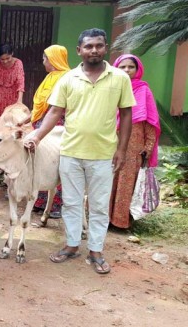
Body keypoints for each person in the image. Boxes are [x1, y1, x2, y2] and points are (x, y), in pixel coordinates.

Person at [23, 28, 135, 275]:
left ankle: (96, 250)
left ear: (105, 47)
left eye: (98, 45)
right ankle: (72, 245)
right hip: (71, 151)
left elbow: (127, 114)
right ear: (79, 51)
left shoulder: (119, 78)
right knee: (71, 202)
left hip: (104, 153)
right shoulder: (68, 79)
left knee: (98, 205)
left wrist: (122, 149)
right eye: (88, 46)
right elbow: (54, 112)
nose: (93, 50)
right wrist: (37, 136)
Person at [109, 54, 160, 229]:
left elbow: (151, 121)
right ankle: (102, 219)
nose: (126, 70)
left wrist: (148, 146)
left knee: (126, 181)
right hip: (110, 141)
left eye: (131, 67)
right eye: (122, 67)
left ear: (138, 70)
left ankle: (120, 221)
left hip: (134, 144)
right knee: (107, 178)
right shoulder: (111, 88)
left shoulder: (143, 90)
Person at [21, 45, 71, 218]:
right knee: (41, 162)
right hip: (43, 125)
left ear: (54, 59)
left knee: (56, 162)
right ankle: (39, 201)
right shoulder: (49, 78)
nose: (43, 62)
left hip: (59, 127)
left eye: (45, 58)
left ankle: (56, 205)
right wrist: (26, 121)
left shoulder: (67, 79)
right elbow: (39, 108)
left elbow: (60, 108)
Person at [0, 44, 25, 130]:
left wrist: (19, 101)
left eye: (8, 58)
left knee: (10, 124)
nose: (5, 61)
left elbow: (21, 82)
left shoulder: (18, 63)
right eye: (2, 59)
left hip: (12, 99)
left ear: (12, 53)